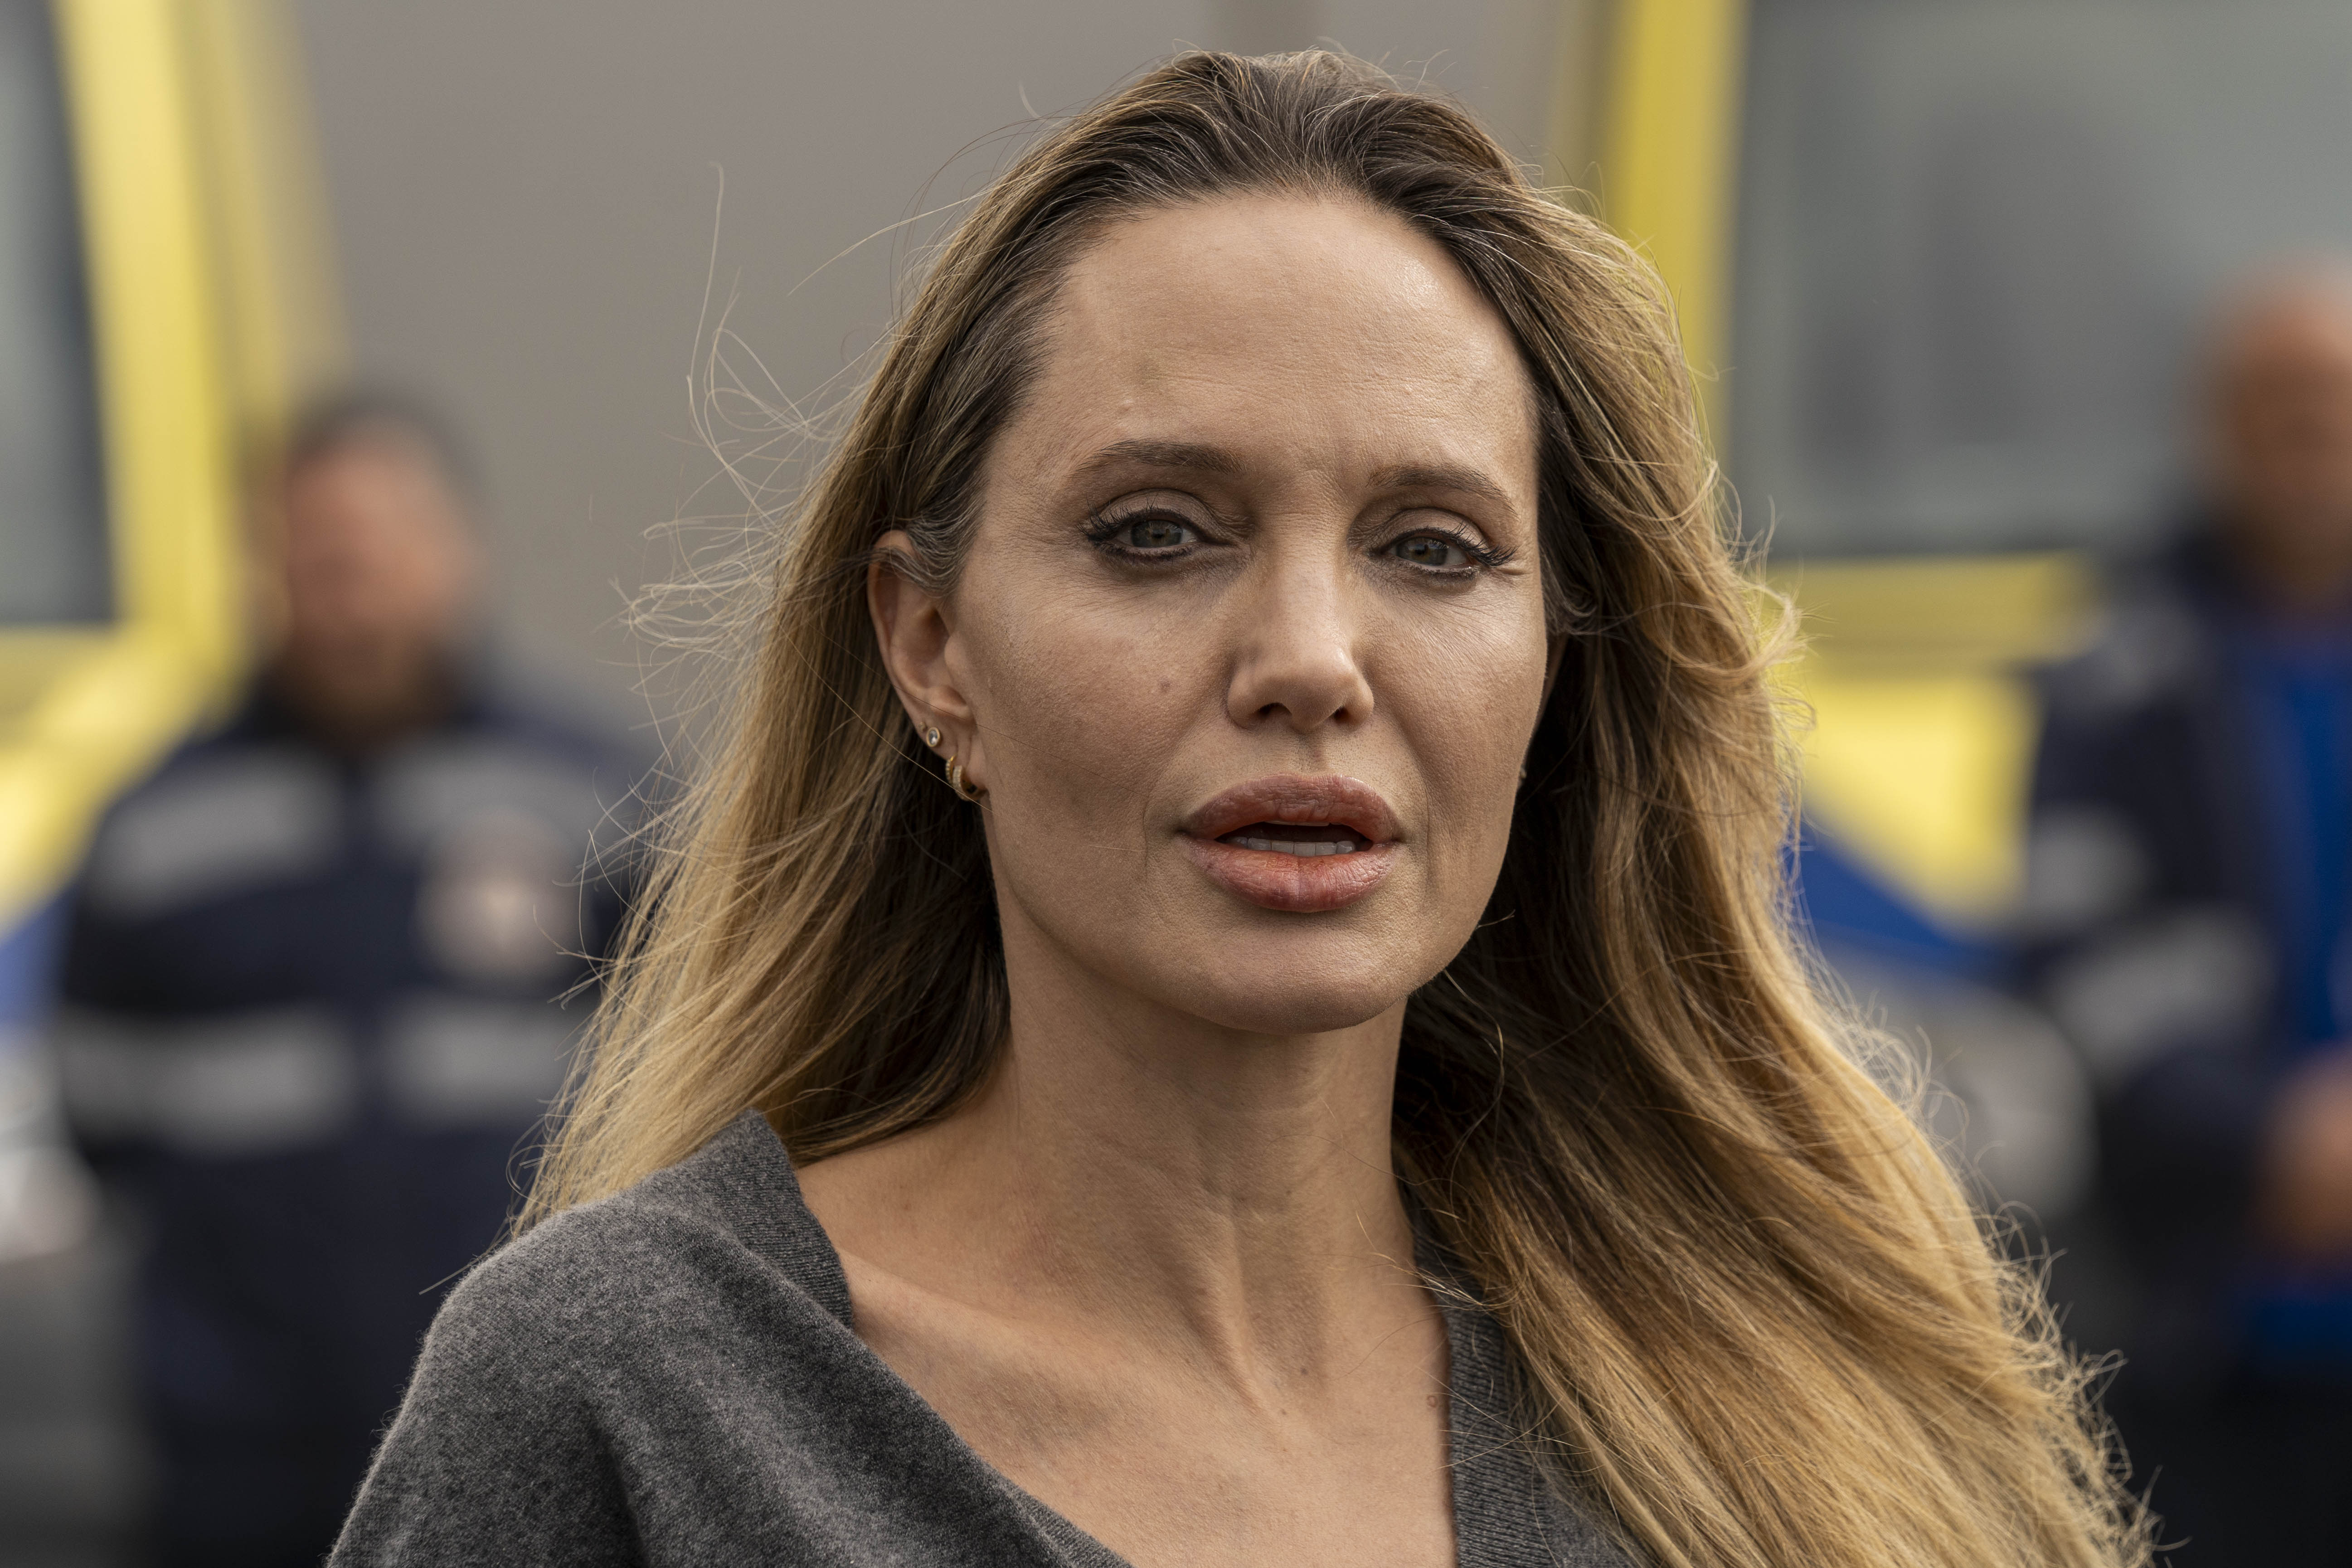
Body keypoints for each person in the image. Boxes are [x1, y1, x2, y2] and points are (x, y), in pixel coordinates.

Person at [334, 53, 2145, 1568]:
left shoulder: (1789, 1406)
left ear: (1555, 663)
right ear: (932, 648)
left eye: (1431, 548)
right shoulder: (627, 1401)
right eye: (1157, 532)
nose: (1308, 660)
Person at [52, 394, 643, 1567]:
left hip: (534, 1437)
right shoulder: (154, 834)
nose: (353, 598)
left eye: (380, 555)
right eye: (318, 562)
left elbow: (690, 1076)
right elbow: (96, 1113)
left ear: (457, 550)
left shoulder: (597, 797)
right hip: (241, 1458)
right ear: (260, 570)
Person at [2026, 266, 2352, 1563]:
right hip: (2203, 1333)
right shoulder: (2120, 671)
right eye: (2279, 403)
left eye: (2335, 401)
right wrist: (2267, 1141)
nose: (2311, 433)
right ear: (2217, 430)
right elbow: (2072, 950)